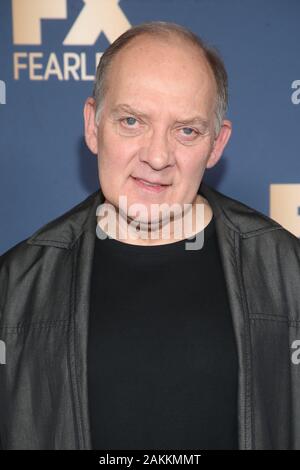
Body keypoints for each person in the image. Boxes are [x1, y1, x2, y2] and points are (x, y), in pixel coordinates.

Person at [0, 21, 299, 451]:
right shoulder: (15, 286)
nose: (157, 157)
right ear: (92, 125)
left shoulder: (288, 274)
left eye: (187, 131)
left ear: (216, 145)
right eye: (132, 121)